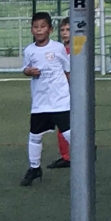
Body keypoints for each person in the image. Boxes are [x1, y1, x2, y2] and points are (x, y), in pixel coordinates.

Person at [20, 12, 71, 187]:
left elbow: (68, 70)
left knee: (69, 133)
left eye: (42, 27)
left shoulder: (58, 48)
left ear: (50, 29)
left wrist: (72, 91)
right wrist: (28, 71)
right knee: (34, 136)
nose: (39, 30)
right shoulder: (29, 50)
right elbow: (25, 69)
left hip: (60, 100)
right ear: (31, 30)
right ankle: (34, 168)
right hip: (40, 102)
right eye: (35, 27)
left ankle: (84, 157)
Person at [47, 17, 72, 170]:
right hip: (61, 93)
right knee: (63, 126)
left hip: (71, 93)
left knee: (65, 125)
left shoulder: (77, 49)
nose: (64, 33)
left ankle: (69, 157)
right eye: (62, 30)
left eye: (68, 30)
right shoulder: (60, 49)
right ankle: (67, 156)